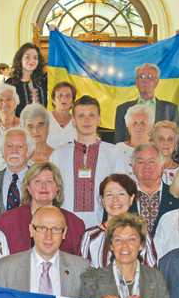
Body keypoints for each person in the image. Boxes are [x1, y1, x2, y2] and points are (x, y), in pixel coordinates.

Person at [50, 95, 128, 227]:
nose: (86, 120)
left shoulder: (113, 152)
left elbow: (121, 192)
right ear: (73, 120)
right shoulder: (59, 154)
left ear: (99, 119)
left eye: (91, 115)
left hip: (103, 227)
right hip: (66, 227)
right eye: (81, 116)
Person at [0, 162, 84, 255]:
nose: (44, 186)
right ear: (28, 187)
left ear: (57, 187)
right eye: (38, 181)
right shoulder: (6, 222)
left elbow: (78, 264)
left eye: (49, 181)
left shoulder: (75, 224)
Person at [78, 174, 157, 268]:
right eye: (109, 195)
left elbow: (151, 273)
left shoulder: (142, 234)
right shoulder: (90, 236)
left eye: (121, 194)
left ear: (131, 198)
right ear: (102, 200)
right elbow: (82, 273)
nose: (115, 200)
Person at [114, 63, 179, 144]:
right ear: (136, 82)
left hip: (160, 155)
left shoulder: (170, 109)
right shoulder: (123, 109)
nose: (145, 80)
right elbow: (118, 141)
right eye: (141, 77)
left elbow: (175, 141)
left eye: (149, 77)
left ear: (156, 82)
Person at [129, 143, 179, 237]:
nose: (146, 166)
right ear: (133, 168)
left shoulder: (177, 196)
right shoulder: (124, 197)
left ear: (162, 167)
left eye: (152, 161)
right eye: (141, 162)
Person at [0, 129, 34, 225]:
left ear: (29, 151)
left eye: (20, 146)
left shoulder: (39, 181)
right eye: (9, 146)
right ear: (3, 151)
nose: (14, 151)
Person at [6, 42, 47, 117]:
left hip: (42, 126)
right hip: (19, 126)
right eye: (27, 57)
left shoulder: (44, 80)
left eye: (35, 57)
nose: (31, 61)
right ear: (20, 59)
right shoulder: (11, 83)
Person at [115, 105, 154, 171]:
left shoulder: (156, 149)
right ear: (129, 128)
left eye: (143, 123)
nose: (138, 126)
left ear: (150, 127)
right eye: (135, 123)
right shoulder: (118, 149)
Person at [46, 82, 78, 148]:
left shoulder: (78, 122)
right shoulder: (44, 120)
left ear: (72, 101)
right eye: (60, 95)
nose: (63, 98)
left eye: (68, 96)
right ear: (53, 100)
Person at [152, 120, 179, 185]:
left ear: (176, 145)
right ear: (153, 143)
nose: (165, 143)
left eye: (170, 139)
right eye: (161, 139)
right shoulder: (145, 169)